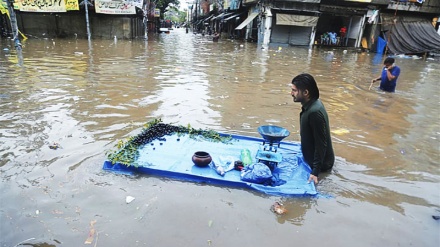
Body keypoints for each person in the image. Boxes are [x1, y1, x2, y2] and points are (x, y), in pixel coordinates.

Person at [291, 73, 335, 184]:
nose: (291, 93)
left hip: (321, 165)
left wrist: (315, 172)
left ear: (306, 93)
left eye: (295, 91)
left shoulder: (315, 112)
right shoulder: (312, 105)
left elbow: (321, 143)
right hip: (312, 159)